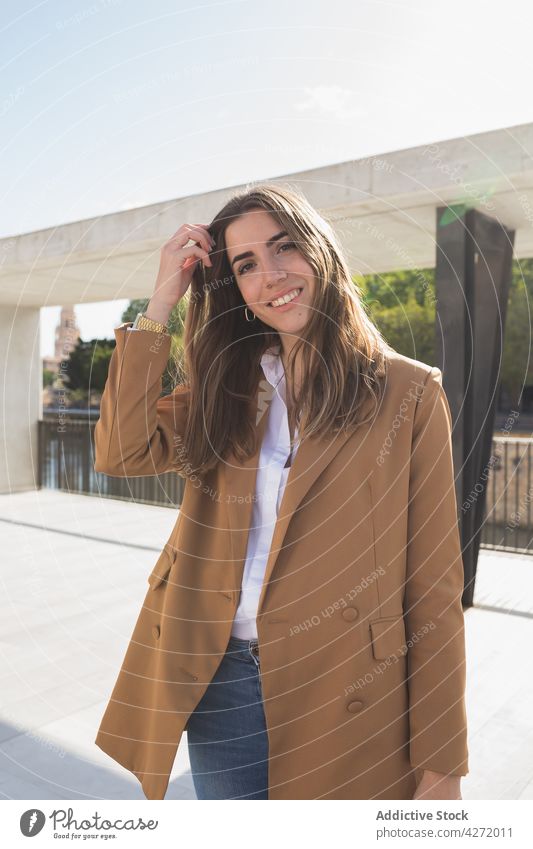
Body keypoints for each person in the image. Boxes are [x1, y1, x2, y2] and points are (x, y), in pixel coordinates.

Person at [94, 182, 468, 801]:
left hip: (345, 678)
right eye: (245, 265)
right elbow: (120, 450)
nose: (270, 276)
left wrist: (442, 761)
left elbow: (434, 590)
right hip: (222, 676)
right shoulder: (227, 388)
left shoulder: (410, 392)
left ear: (320, 251)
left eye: (284, 248)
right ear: (234, 289)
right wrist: (162, 301)